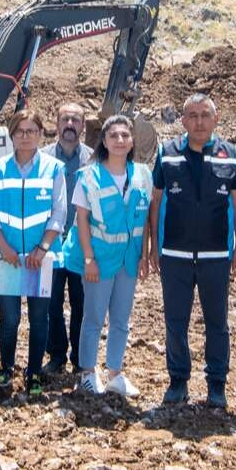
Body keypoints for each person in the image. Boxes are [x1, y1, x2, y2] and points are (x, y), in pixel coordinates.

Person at [146, 93, 236, 409]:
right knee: (175, 321)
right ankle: (178, 380)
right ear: (183, 121)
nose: (199, 122)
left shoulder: (230, 154)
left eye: (205, 115)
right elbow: (156, 201)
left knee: (217, 322)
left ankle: (217, 384)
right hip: (174, 255)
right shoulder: (167, 153)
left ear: (216, 119)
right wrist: (153, 246)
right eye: (193, 115)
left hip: (216, 256)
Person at [65, 114, 153, 398]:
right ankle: (88, 372)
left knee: (121, 319)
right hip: (99, 260)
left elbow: (145, 218)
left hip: (128, 259)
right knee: (93, 318)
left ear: (132, 141)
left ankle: (115, 373)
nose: (120, 140)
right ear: (103, 141)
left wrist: (144, 255)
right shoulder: (89, 176)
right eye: (113, 135)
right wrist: (89, 259)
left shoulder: (142, 175)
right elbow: (81, 220)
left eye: (125, 135)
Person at [0, 110, 68, 397]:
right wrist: (3, 247)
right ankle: (6, 368)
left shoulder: (54, 169)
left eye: (31, 131)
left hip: (40, 260)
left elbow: (59, 212)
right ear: (11, 135)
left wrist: (42, 248)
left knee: (39, 318)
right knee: (9, 319)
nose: (25, 136)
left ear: (41, 134)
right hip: (6, 258)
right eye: (20, 131)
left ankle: (34, 373)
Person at [42, 102, 93, 374]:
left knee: (81, 303)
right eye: (65, 119)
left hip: (81, 245)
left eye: (76, 120)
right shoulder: (43, 158)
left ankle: (80, 357)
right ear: (57, 123)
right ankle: (57, 354)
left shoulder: (94, 160)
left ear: (83, 125)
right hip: (50, 243)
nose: (70, 125)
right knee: (51, 303)